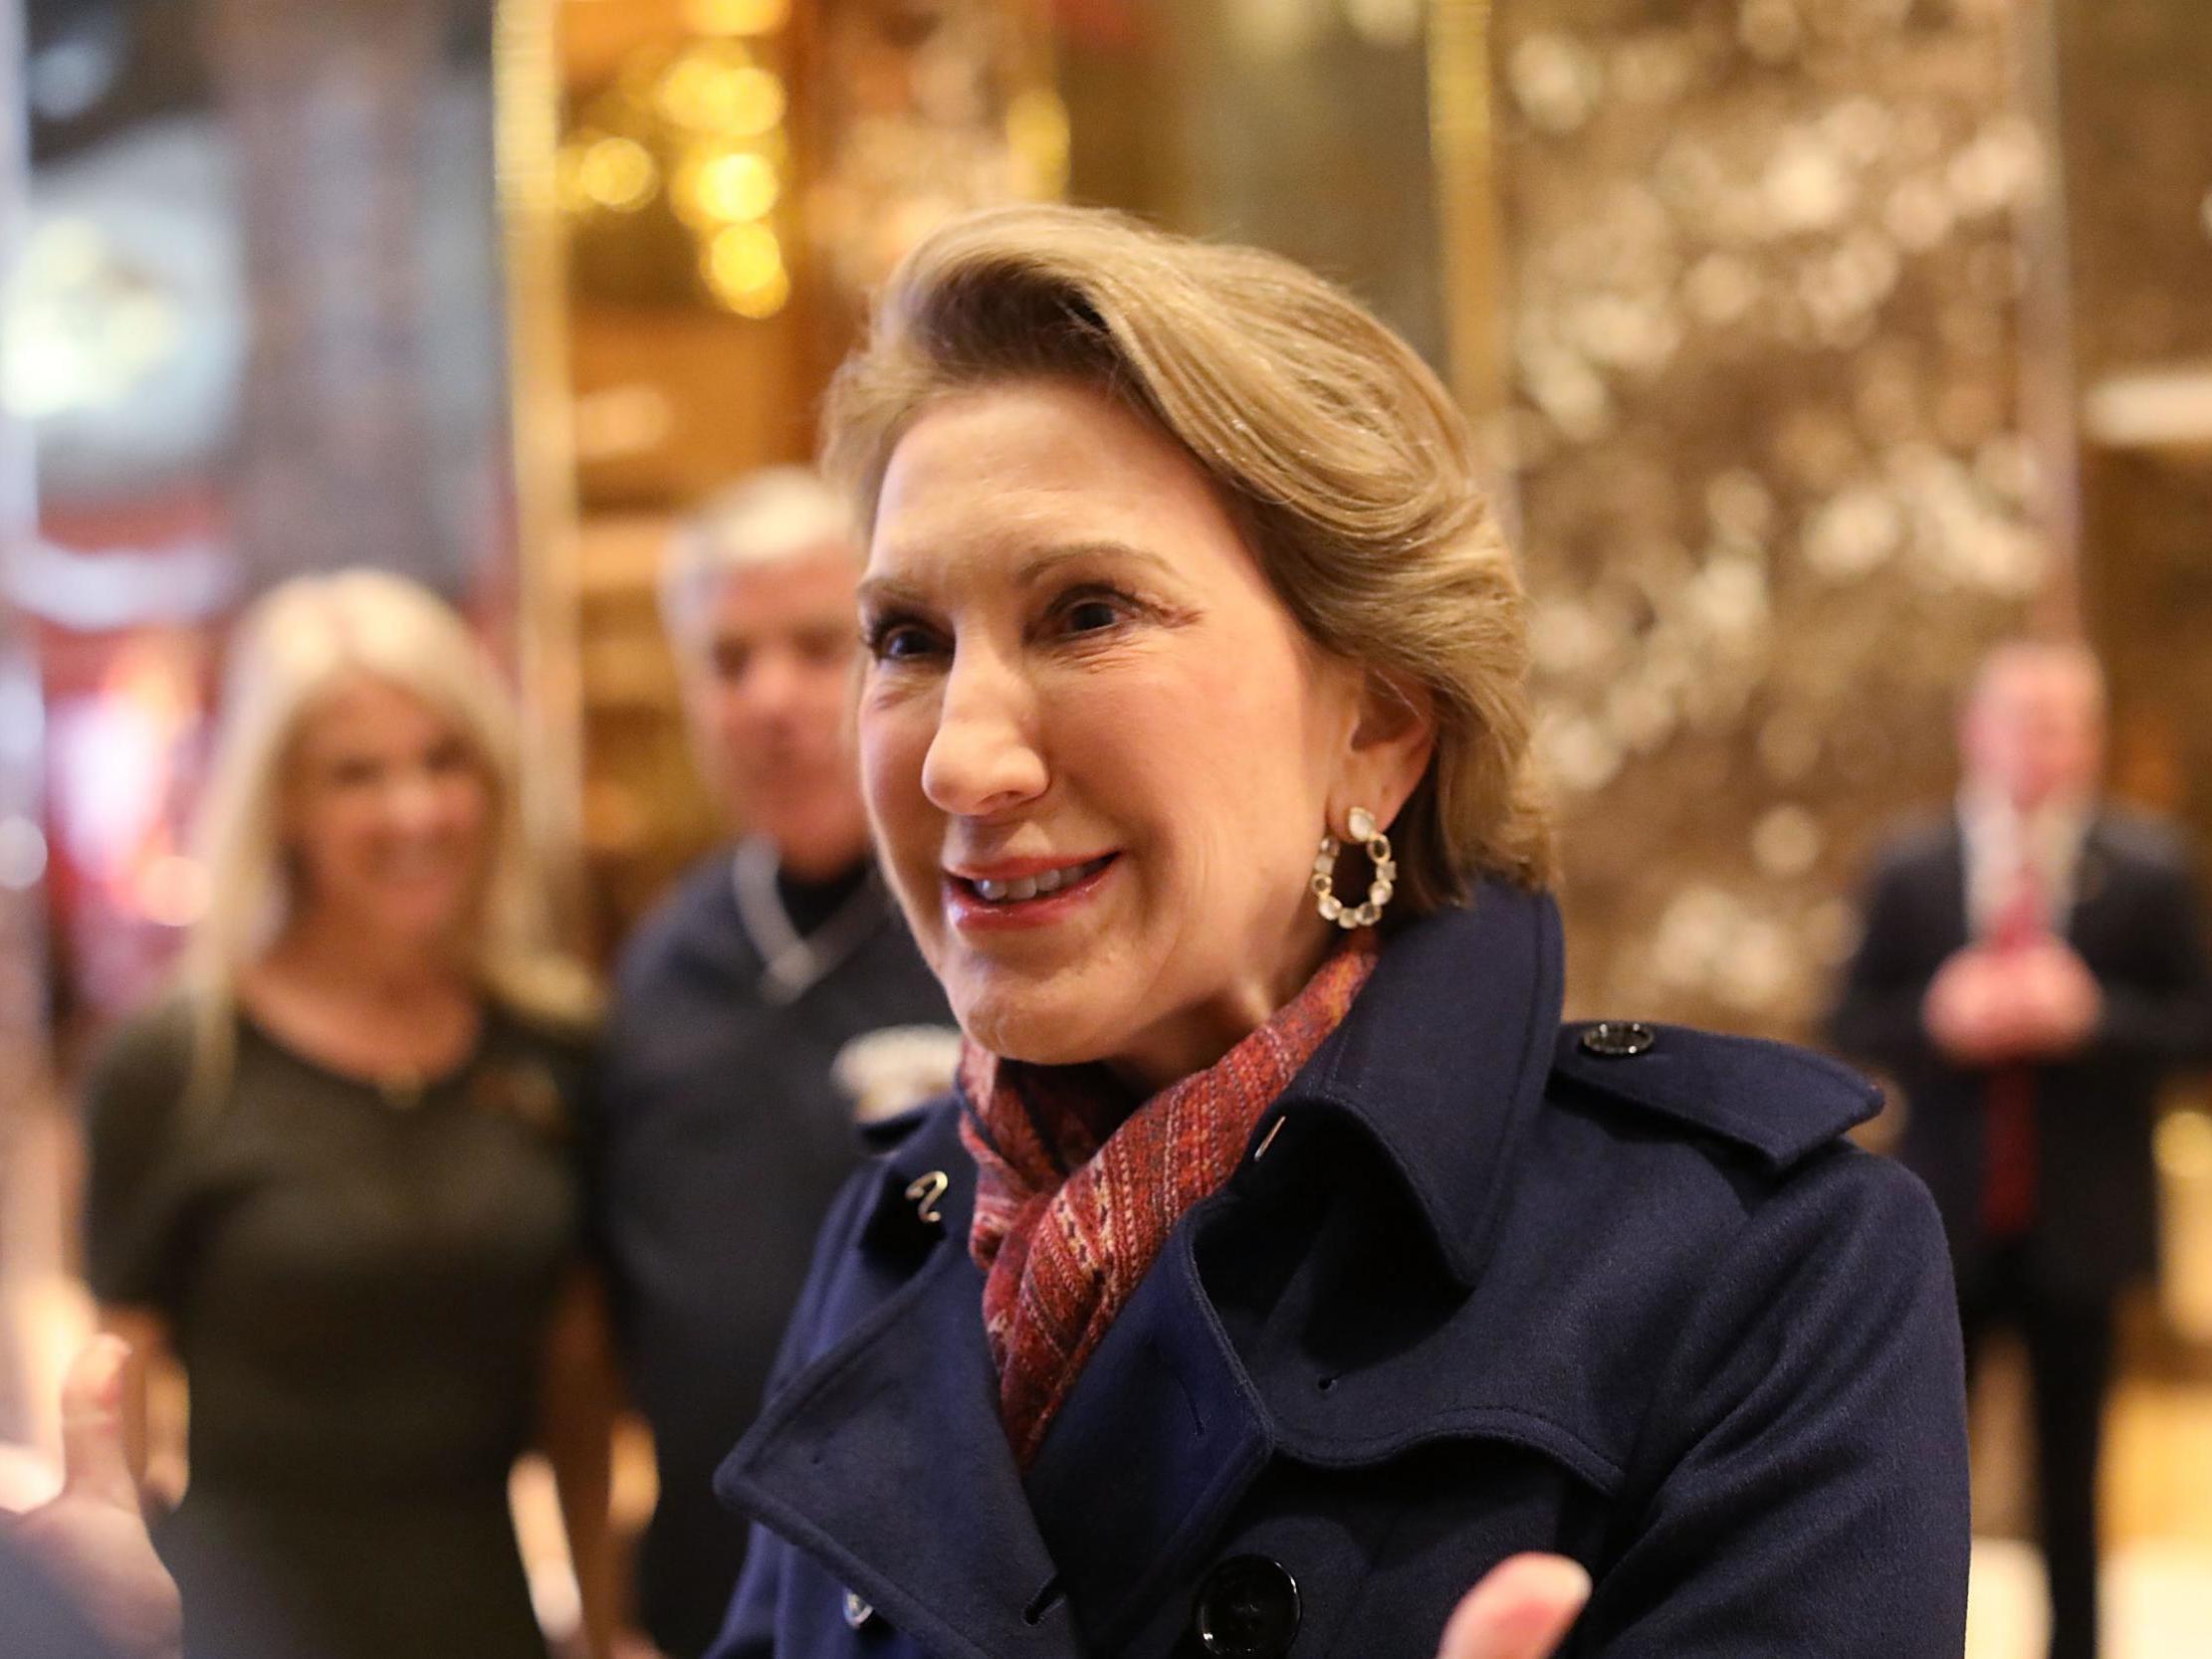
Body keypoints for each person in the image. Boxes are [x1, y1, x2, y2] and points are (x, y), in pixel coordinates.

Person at [702, 204, 1970, 1659]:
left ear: (1376, 722)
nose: (956, 761)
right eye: (907, 640)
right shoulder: (903, 1233)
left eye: (1087, 612)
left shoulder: (1771, 1268)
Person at [80, 570, 619, 1659]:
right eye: (355, 773)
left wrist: (603, 1627)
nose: (413, 809)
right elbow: (114, 1391)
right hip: (244, 1625)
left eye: (442, 758)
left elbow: (578, 1376)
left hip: (483, 1617)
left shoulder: (555, 1043)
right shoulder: (176, 1063)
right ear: (280, 800)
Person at [595, 471, 954, 1658]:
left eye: (814, 646)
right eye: (726, 659)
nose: (768, 699)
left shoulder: (987, 924)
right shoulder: (660, 966)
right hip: (711, 1608)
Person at [1830, 639, 2212, 1659]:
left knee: (2071, 1482)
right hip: (1940, 1222)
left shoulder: (2148, 868)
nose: (2042, 744)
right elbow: (1849, 1016)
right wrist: (1936, 1013)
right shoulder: (1911, 865)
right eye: (2022, 719)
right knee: (1917, 1473)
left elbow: (2197, 1027)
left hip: (2081, 1225)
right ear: (1976, 729)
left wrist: (2092, 1016)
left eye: (2064, 723)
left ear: (2092, 739)